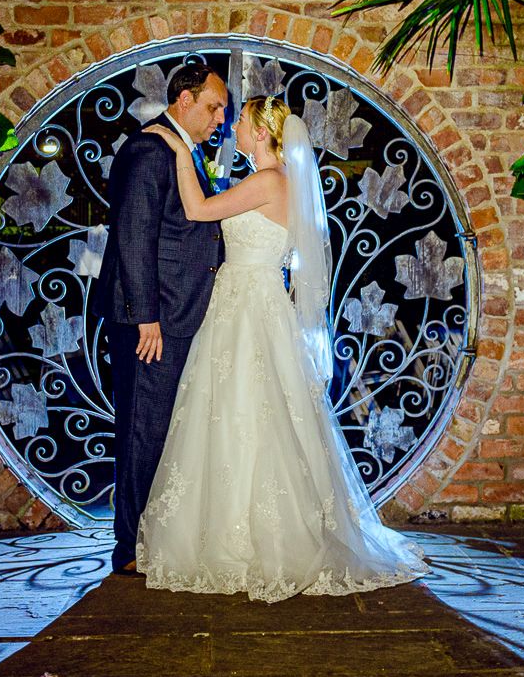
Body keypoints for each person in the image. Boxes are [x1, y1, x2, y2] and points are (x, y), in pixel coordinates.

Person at [133, 95, 428, 600]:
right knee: (251, 411)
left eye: (242, 122)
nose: (234, 130)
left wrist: (181, 152)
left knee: (246, 411)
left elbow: (198, 210)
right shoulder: (278, 182)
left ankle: (247, 539)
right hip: (251, 301)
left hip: (248, 304)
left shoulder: (268, 181)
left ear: (262, 133)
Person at [94, 62, 231, 576]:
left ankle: (151, 536)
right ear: (184, 101)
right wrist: (145, 318)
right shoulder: (150, 150)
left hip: (173, 312)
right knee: (143, 429)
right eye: (214, 106)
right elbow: (133, 236)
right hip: (151, 320)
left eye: (222, 108)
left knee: (161, 428)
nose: (221, 117)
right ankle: (128, 548)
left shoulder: (177, 149)